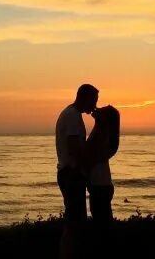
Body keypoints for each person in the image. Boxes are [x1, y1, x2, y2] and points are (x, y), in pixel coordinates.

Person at [56, 83, 98, 258]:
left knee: (74, 221)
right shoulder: (72, 116)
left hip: (69, 174)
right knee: (75, 223)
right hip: (71, 174)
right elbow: (74, 148)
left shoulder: (71, 114)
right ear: (85, 97)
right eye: (93, 100)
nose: (94, 105)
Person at [84, 105, 120, 231]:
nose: (97, 109)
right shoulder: (101, 130)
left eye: (102, 110)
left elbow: (93, 155)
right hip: (100, 185)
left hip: (100, 185)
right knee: (103, 224)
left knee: (102, 226)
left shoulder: (102, 133)